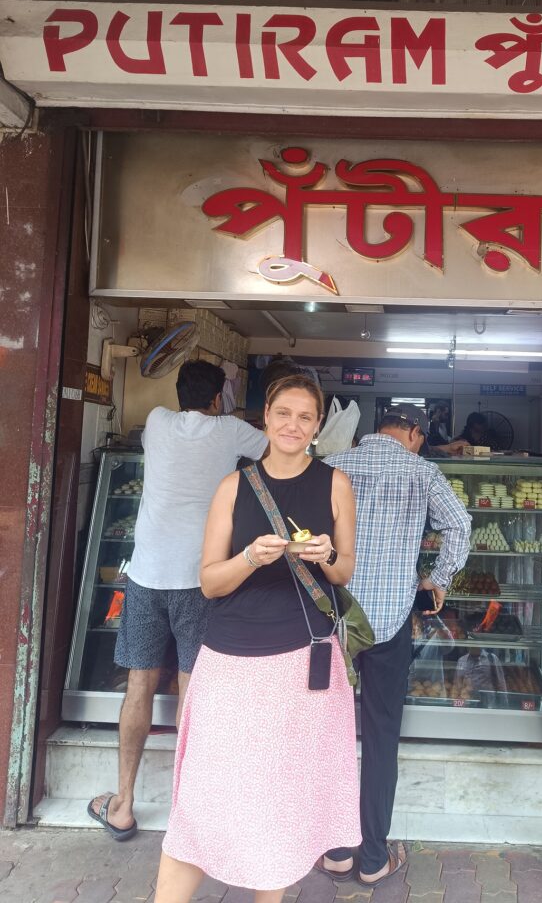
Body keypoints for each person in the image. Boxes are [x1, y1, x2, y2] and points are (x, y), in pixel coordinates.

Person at [154, 374, 360, 902]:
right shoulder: (234, 486)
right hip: (230, 662)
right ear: (265, 418)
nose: (293, 425)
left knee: (281, 802)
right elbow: (209, 580)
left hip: (302, 661)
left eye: (306, 417)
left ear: (317, 428)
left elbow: (345, 573)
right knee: (205, 794)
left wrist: (326, 556)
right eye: (284, 413)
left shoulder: (335, 483)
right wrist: (250, 558)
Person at [88, 360, 268, 841]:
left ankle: (123, 803)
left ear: (179, 392)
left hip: (145, 574)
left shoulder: (158, 423)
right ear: (217, 399)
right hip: (199, 578)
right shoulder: (230, 429)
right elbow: (279, 447)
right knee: (193, 687)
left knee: (139, 684)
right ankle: (188, 808)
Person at [322, 407, 471, 884]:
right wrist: (439, 578)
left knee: (335, 735)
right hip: (388, 622)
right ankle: (372, 859)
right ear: (412, 434)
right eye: (420, 439)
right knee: (381, 738)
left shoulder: (335, 465)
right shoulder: (423, 470)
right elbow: (460, 525)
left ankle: (336, 851)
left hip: (336, 623)